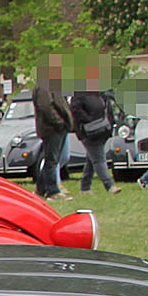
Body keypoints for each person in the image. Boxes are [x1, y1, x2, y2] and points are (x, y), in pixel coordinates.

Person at [68, 84, 121, 194]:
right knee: (99, 159)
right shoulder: (79, 94)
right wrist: (89, 120)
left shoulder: (99, 92)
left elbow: (107, 108)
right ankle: (109, 185)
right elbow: (76, 111)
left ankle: (85, 187)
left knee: (92, 159)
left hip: (103, 129)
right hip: (89, 131)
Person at [31, 68, 75, 199]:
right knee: (52, 161)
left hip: (57, 128)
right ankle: (53, 191)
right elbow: (46, 107)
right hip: (51, 129)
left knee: (53, 159)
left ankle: (40, 189)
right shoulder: (44, 87)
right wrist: (59, 122)